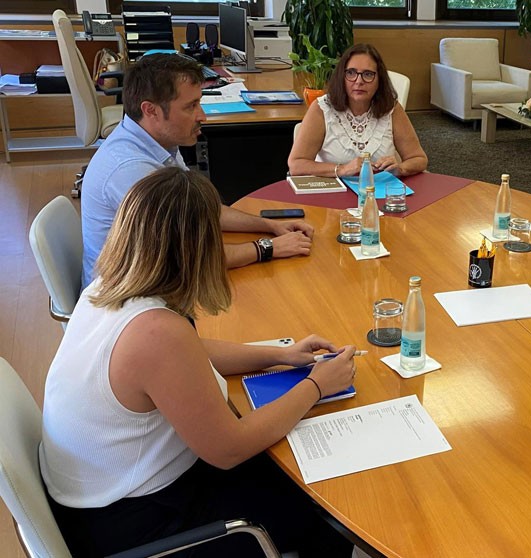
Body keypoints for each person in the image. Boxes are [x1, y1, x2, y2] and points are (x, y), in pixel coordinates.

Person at [41, 167, 356, 557]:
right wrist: (317, 386)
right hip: (136, 523)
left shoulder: (106, 287)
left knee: (285, 466)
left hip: (101, 492)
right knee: (324, 515)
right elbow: (229, 449)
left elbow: (187, 356)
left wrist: (279, 354)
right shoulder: (156, 332)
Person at [81, 53, 313, 289]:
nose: (202, 116)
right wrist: (267, 247)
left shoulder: (160, 141)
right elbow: (191, 257)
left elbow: (201, 210)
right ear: (151, 110)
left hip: (155, 276)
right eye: (191, 106)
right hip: (128, 296)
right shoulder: (132, 170)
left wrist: (270, 226)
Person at [288, 43, 428, 178]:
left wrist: (401, 168)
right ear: (341, 77)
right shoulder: (322, 108)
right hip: (333, 195)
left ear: (379, 79)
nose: (358, 81)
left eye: (368, 74)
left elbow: (418, 158)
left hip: (379, 194)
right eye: (351, 73)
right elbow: (296, 165)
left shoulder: (391, 109)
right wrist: (342, 169)